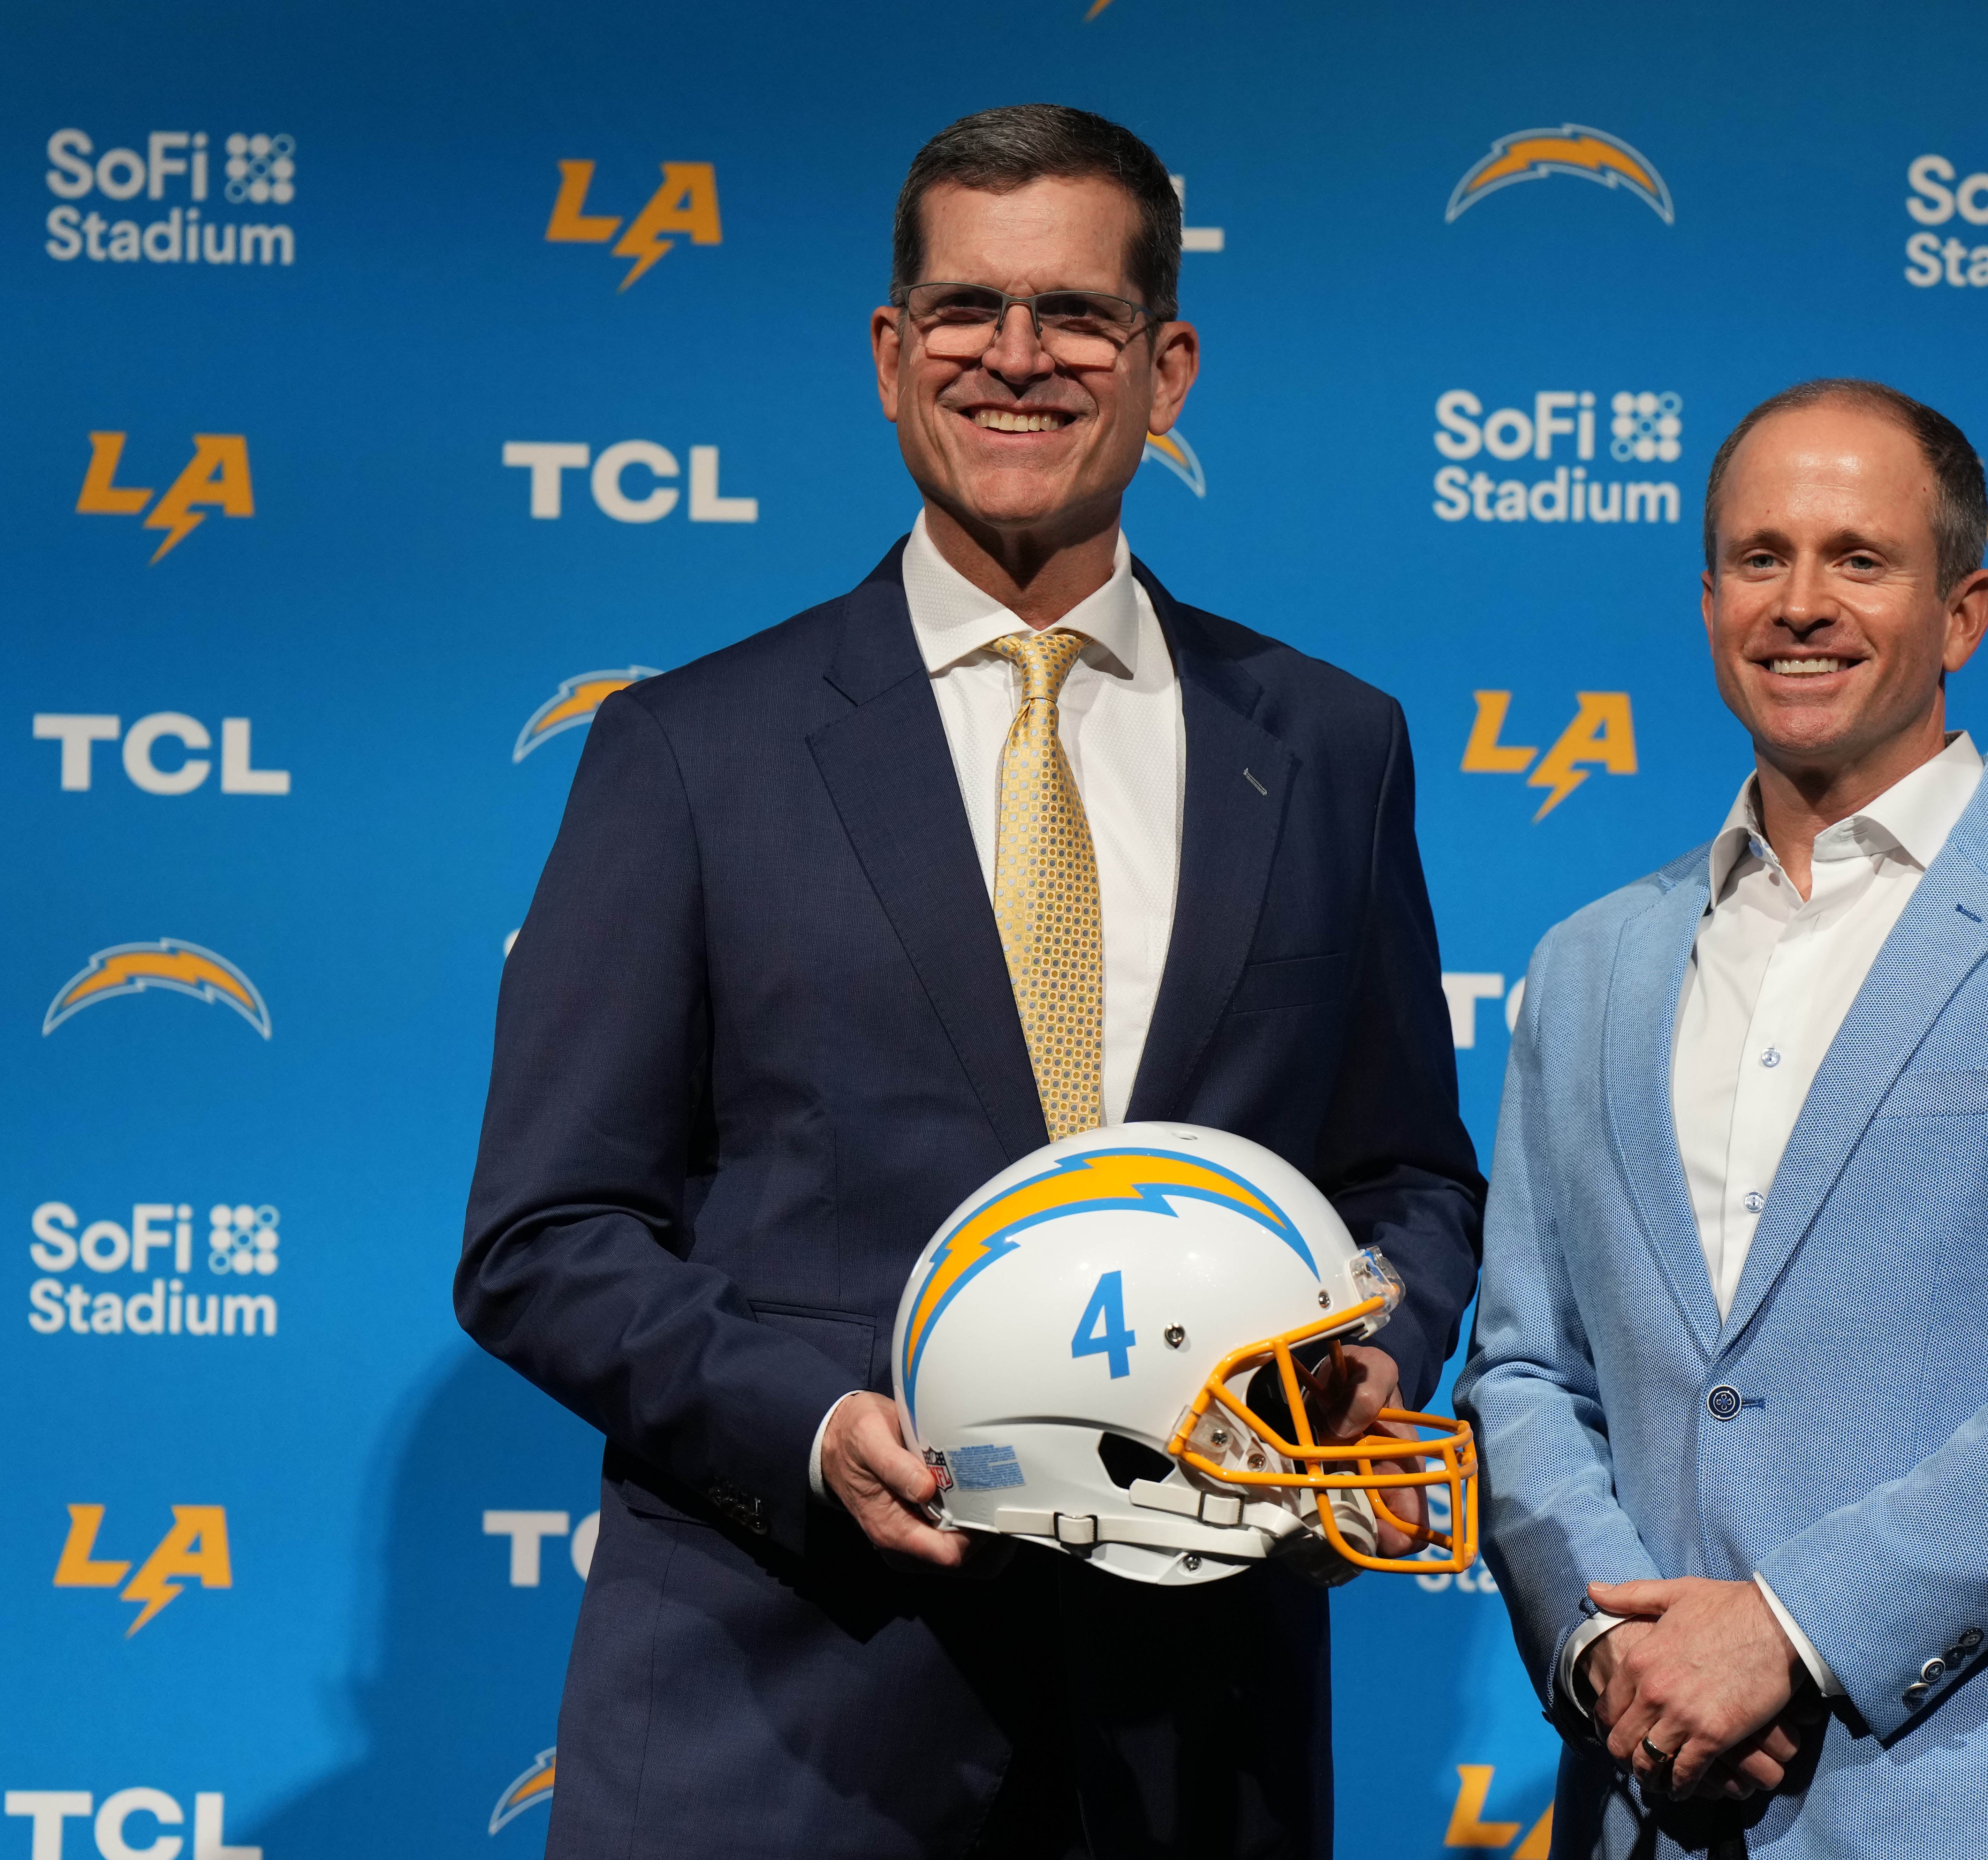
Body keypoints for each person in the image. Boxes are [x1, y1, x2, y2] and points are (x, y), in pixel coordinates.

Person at [458, 104, 1482, 1860]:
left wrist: (1367, 1356)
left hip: (1191, 1736)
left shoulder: (1329, 746)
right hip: (782, 1721)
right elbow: (544, 1235)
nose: (1016, 357)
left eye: (1076, 314)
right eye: (964, 310)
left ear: (1167, 370)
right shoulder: (690, 752)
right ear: (891, 355)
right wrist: (813, 1424)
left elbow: (1408, 1176)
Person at [1457, 379, 1988, 1859]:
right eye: (1759, 558)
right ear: (1710, 604)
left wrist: (1789, 1626)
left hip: (1978, 1795)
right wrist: (1607, 1648)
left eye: (1860, 559)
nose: (1801, 604)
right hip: (1647, 1797)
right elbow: (1524, 1365)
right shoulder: (1587, 962)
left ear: (1963, 614)